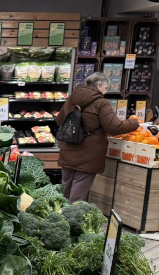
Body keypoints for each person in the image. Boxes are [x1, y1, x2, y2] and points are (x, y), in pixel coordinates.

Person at [55, 72, 140, 203]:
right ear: (99, 85)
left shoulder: (73, 97)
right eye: (106, 88)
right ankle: (71, 220)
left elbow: (59, 120)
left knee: (65, 186)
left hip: (68, 148)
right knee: (79, 190)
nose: (105, 92)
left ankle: (58, 214)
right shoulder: (101, 103)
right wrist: (134, 123)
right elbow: (114, 127)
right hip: (88, 153)